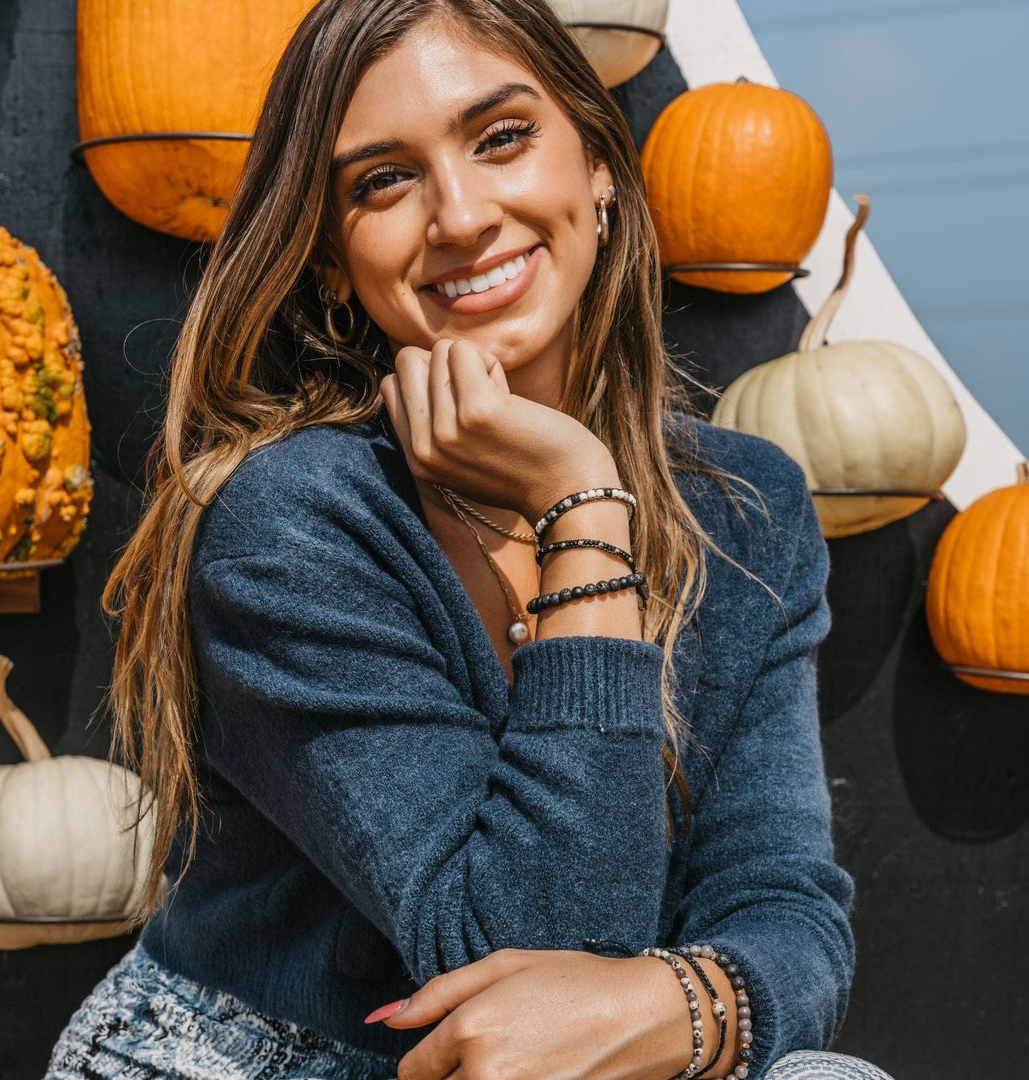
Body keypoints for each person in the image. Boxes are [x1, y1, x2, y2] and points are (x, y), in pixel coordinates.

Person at [45, 1, 888, 1078]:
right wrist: (581, 502)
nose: (459, 214)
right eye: (383, 181)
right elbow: (526, 947)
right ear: (334, 263)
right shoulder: (293, 522)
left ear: (599, 166)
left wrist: (692, 1006)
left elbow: (784, 908)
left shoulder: (747, 508)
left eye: (502, 138)